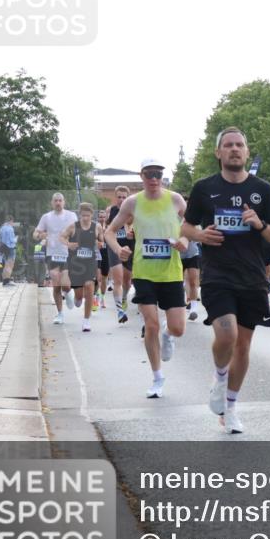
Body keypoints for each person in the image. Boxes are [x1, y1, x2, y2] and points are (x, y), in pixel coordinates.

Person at [182, 127, 270, 434]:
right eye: (228, 145)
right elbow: (186, 227)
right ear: (219, 153)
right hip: (217, 275)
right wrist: (200, 235)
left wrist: (259, 223)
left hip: (252, 277)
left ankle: (230, 407)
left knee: (242, 347)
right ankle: (218, 375)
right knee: (226, 336)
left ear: (246, 150)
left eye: (239, 144)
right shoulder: (205, 188)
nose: (234, 149)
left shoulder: (263, 190)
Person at [106, 160, 190, 398]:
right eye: (149, 174)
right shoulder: (133, 202)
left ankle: (168, 335)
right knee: (150, 325)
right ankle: (157, 377)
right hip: (144, 273)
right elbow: (109, 231)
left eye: (158, 174)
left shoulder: (175, 200)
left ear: (162, 176)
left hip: (171, 272)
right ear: (141, 176)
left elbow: (191, 225)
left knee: (178, 328)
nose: (154, 179)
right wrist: (118, 248)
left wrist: (185, 241)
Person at [34, 193, 78, 323]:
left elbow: (79, 231)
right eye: (55, 201)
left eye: (60, 200)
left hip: (67, 253)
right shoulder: (46, 217)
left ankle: (68, 291)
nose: (58, 203)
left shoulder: (71, 216)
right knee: (56, 284)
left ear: (64, 202)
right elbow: (35, 233)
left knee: (64, 284)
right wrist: (39, 236)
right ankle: (60, 314)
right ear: (52, 203)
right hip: (52, 253)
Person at [61, 203, 101, 332]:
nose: (85, 218)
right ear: (80, 215)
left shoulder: (97, 227)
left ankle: (86, 320)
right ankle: (77, 298)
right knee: (79, 295)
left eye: (88, 215)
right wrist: (68, 244)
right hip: (75, 262)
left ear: (91, 215)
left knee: (89, 286)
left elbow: (102, 241)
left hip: (90, 262)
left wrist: (99, 243)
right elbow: (61, 237)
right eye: (83, 215)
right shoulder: (73, 226)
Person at [107, 186, 135, 323]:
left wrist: (131, 234)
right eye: (119, 197)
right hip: (114, 247)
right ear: (115, 197)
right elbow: (107, 229)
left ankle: (124, 298)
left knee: (127, 281)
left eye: (124, 197)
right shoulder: (111, 211)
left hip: (129, 248)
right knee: (118, 279)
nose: (121, 199)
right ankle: (119, 311)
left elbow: (134, 228)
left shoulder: (133, 212)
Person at [0, 215, 18, 286]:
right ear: (11, 221)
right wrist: (16, 239)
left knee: (6, 264)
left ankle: (5, 281)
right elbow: (12, 240)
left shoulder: (2, 228)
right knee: (10, 265)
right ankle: (7, 280)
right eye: (13, 222)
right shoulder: (10, 228)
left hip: (4, 248)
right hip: (11, 248)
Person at [95, 209, 109, 309]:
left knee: (104, 277)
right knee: (97, 277)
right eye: (100, 217)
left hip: (107, 254)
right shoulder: (95, 227)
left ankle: (102, 297)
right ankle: (96, 297)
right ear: (97, 217)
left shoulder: (110, 227)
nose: (102, 219)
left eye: (104, 217)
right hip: (97, 253)